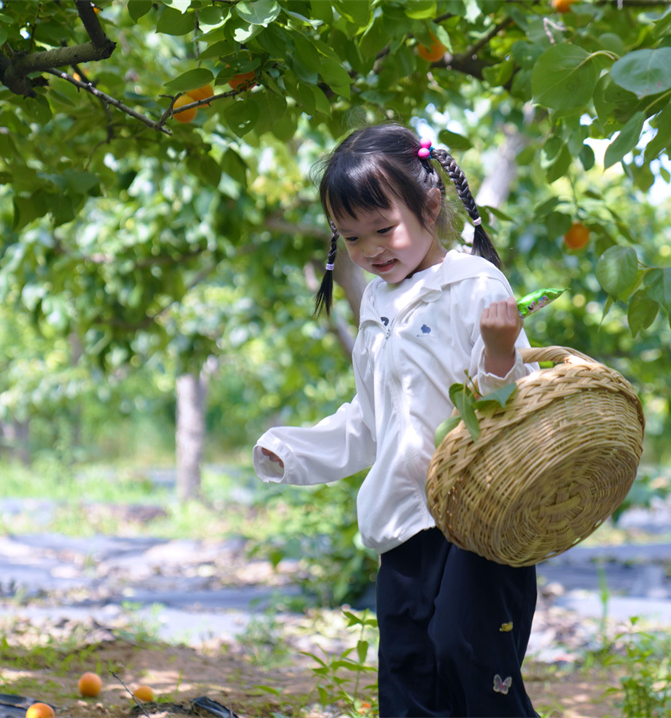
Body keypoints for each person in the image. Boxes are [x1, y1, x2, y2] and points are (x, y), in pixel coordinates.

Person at [252, 123, 540, 717]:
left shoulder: (474, 287)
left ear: (430, 205)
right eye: (352, 238)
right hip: (404, 524)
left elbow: (512, 411)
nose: (372, 250)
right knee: (410, 681)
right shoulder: (379, 303)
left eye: (385, 229)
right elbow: (370, 421)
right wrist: (294, 450)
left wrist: (500, 352)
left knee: (469, 659)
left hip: (476, 520)